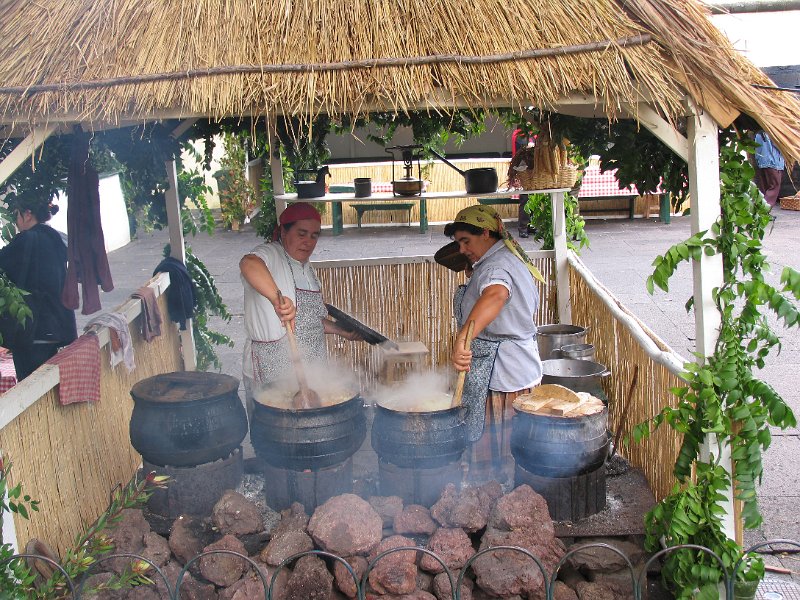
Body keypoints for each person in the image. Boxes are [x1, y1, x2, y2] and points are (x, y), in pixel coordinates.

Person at [443, 205, 544, 482]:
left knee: (500, 459)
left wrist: (464, 337)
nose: (462, 249)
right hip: (514, 367)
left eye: (467, 241)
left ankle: (495, 502)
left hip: (502, 375)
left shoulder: (496, 267)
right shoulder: (504, 258)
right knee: (511, 458)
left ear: (486, 233)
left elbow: (496, 295)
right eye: (458, 243)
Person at [239, 202, 361, 416]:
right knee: (277, 431)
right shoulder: (271, 254)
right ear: (284, 231)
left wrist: (343, 331)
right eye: (301, 234)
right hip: (274, 370)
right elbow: (248, 263)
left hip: (311, 371)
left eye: (314, 236)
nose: (308, 242)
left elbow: (308, 320)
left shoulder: (307, 268)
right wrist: (276, 299)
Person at [0, 198, 77, 380]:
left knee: (30, 388)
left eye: (16, 215)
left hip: (35, 328)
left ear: (27, 214)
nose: (16, 223)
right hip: (58, 325)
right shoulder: (56, 237)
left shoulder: (27, 239)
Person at [754, 130, 785, 207]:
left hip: (762, 163)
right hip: (773, 163)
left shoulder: (758, 134)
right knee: (774, 187)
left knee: (764, 188)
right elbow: (780, 145)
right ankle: (764, 211)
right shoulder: (772, 132)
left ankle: (760, 210)